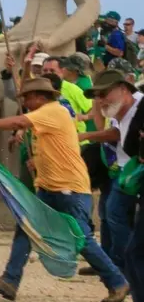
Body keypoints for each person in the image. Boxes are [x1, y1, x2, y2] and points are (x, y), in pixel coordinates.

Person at [0, 77, 130, 302]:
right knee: (27, 227)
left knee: (81, 238)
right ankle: (10, 280)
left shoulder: (54, 111)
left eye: (28, 98)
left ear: (41, 97)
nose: (25, 102)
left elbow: (17, 122)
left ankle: (118, 282)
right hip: (50, 188)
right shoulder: (46, 116)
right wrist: (37, 162)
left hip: (69, 189)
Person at [78, 70, 141, 276]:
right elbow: (108, 128)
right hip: (123, 171)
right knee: (111, 214)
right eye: (97, 95)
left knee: (114, 214)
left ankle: (121, 267)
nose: (101, 99)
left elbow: (114, 135)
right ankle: (118, 266)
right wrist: (100, 103)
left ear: (124, 89)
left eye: (105, 93)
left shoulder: (140, 107)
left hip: (131, 173)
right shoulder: (119, 109)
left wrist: (85, 136)